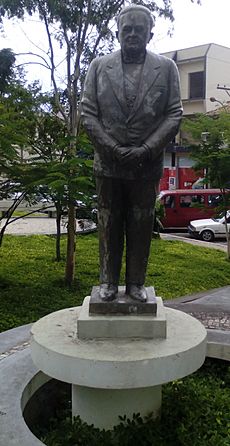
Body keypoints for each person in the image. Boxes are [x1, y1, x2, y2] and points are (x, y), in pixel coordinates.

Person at [81, 5, 182, 302]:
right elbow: (88, 114)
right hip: (108, 164)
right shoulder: (99, 66)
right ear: (118, 33)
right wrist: (110, 148)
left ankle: (136, 283)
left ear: (150, 34)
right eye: (128, 29)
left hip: (145, 165)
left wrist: (148, 149)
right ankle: (107, 282)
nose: (133, 34)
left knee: (140, 224)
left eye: (140, 29)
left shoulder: (166, 68)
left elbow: (174, 114)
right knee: (109, 223)